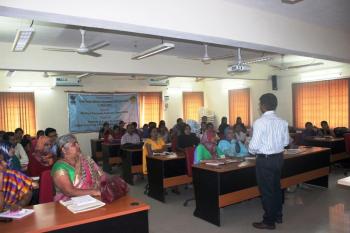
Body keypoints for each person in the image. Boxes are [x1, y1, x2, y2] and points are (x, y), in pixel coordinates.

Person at [249, 93, 289, 230]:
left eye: (260, 104)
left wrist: (252, 151)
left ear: (263, 105)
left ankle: (268, 221)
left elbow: (253, 146)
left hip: (265, 161)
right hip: (279, 158)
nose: (259, 106)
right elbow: (285, 142)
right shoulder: (283, 122)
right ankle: (278, 216)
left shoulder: (259, 122)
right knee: (276, 188)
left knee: (266, 191)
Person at [51, 134, 104, 201]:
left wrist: (111, 182)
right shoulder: (59, 168)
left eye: (77, 143)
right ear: (64, 150)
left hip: (93, 199)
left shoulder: (85, 160)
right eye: (74, 145)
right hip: (68, 203)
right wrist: (94, 192)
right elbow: (69, 191)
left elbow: (101, 175)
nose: (78, 146)